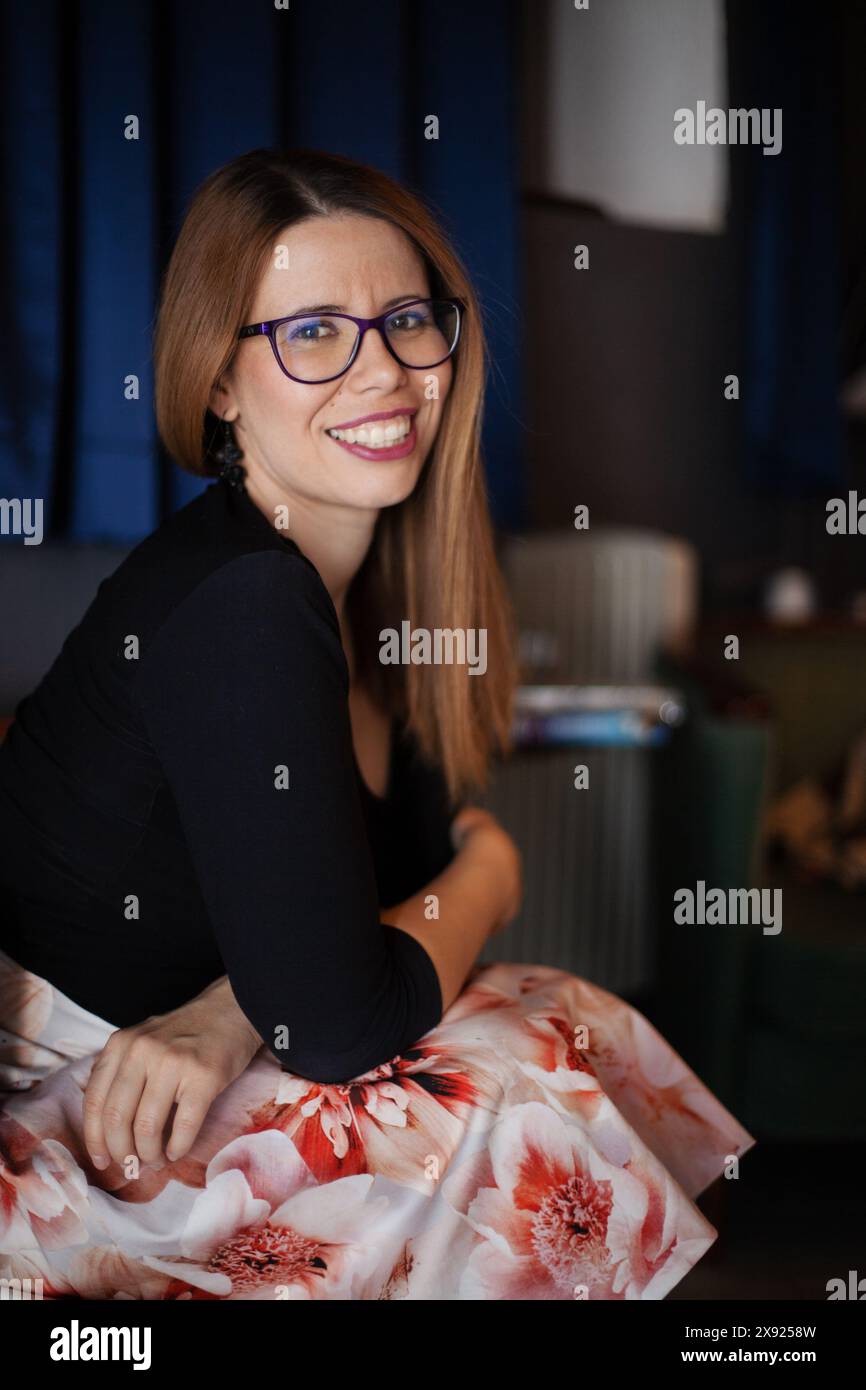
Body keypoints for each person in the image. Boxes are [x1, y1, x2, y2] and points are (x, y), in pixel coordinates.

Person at [0, 148, 754, 1300]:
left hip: (194, 1066)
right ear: (217, 381)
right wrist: (494, 868)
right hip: (81, 1123)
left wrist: (236, 1002)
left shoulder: (371, 590)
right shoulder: (243, 598)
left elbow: (360, 912)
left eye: (407, 320)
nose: (384, 373)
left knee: (535, 1032)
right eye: (310, 334)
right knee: (528, 1059)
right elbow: (343, 1011)